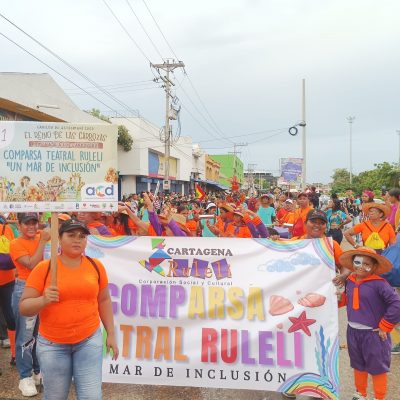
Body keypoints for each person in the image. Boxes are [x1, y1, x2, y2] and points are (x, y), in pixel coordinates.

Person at [19, 219, 118, 400]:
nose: (77, 240)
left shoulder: (96, 266)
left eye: (82, 236)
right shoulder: (45, 268)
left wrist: (111, 333)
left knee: (91, 396)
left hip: (89, 341)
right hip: (52, 345)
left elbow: (103, 300)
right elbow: (24, 307)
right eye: (71, 235)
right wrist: (43, 300)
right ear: (59, 238)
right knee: (55, 396)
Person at [338, 248, 400, 400]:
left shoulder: (380, 284)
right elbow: (351, 300)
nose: (361, 266)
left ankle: (379, 397)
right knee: (358, 364)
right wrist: (341, 298)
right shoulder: (350, 281)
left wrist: (385, 325)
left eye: (366, 264)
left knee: (378, 367)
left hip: (374, 334)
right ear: (352, 263)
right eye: (357, 262)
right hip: (353, 331)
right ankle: (361, 393)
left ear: (373, 267)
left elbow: (396, 304)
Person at [10, 212, 51, 397]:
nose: (32, 227)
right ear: (19, 225)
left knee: (38, 335)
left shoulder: (43, 237)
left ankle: (36, 372)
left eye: (34, 222)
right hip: (24, 289)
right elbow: (32, 264)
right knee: (25, 337)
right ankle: (24, 377)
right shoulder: (16, 243)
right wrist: (43, 241)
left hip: (43, 289)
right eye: (27, 223)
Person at [0, 214, 16, 367]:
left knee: (10, 316)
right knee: (10, 315)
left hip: (6, 278)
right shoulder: (7, 228)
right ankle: (14, 354)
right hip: (7, 278)